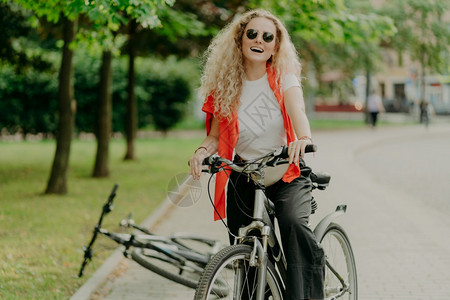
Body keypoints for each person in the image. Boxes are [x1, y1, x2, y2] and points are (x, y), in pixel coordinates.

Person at [189, 9, 324, 300]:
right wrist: (201, 152)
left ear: (276, 46)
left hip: (284, 171)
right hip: (244, 174)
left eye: (267, 36)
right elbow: (214, 137)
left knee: (293, 224)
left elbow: (297, 112)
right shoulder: (224, 86)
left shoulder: (284, 79)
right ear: (240, 39)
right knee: (245, 246)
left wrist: (304, 138)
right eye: (252, 34)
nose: (259, 40)